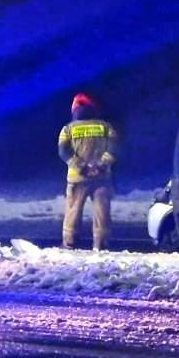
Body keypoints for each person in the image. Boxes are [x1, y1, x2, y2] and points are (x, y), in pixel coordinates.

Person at [57, 92, 118, 250]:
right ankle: (101, 244)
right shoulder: (106, 127)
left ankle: (70, 242)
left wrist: (82, 167)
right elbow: (113, 149)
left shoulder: (68, 129)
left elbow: (64, 152)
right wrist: (100, 166)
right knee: (102, 212)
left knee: (73, 210)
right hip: (102, 178)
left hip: (77, 178)